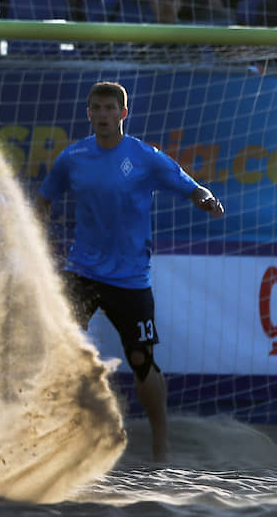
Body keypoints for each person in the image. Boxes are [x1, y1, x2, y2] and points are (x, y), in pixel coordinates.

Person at [37, 81, 225, 462]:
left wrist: (204, 198)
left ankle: (160, 444)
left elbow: (190, 186)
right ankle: (54, 438)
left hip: (130, 279)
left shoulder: (145, 157)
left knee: (141, 361)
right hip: (82, 271)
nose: (103, 115)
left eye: (110, 109)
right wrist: (37, 243)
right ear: (88, 113)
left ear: (124, 114)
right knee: (55, 349)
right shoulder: (72, 158)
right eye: (96, 108)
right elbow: (44, 199)